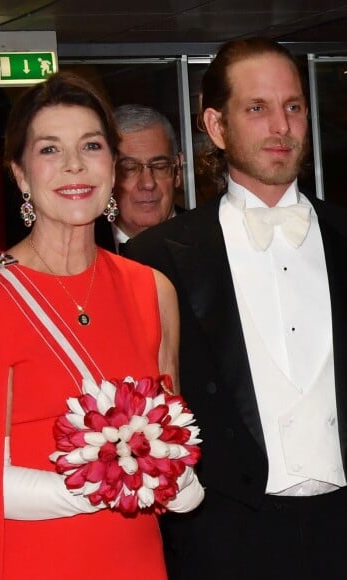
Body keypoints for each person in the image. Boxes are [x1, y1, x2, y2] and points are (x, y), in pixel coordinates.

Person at [0, 72, 204, 579]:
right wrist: (105, 482)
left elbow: (175, 444)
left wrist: (181, 482)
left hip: (137, 559)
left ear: (113, 166)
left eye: (91, 145)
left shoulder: (152, 290)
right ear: (20, 173)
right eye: (49, 150)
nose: (73, 166)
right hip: (34, 560)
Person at [124, 37, 347, 580]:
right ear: (217, 127)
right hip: (222, 543)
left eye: (292, 107)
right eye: (258, 108)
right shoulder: (155, 258)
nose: (281, 126)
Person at [95, 104, 183, 253]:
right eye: (129, 168)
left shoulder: (211, 242)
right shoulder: (80, 248)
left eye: (159, 166)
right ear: (107, 174)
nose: (148, 183)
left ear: (178, 171)